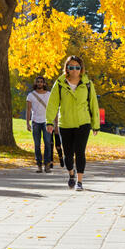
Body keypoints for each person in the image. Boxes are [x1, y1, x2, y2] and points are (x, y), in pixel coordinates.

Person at [45, 55, 100, 192]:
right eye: (71, 67)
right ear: (67, 68)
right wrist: (49, 122)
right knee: (68, 155)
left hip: (83, 123)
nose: (74, 70)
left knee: (80, 152)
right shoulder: (59, 84)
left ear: (81, 69)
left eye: (77, 67)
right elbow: (52, 104)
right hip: (65, 123)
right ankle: (71, 173)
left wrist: (96, 124)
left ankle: (79, 182)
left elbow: (93, 104)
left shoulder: (87, 84)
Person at [25, 75, 54, 173]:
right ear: (35, 83)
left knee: (47, 143)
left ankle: (47, 165)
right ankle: (39, 165)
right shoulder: (31, 95)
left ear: (44, 83)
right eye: (38, 82)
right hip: (35, 122)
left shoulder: (49, 94)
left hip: (47, 122)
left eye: (41, 82)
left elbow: (52, 109)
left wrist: (54, 122)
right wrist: (27, 123)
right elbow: (28, 110)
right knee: (37, 144)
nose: (40, 83)